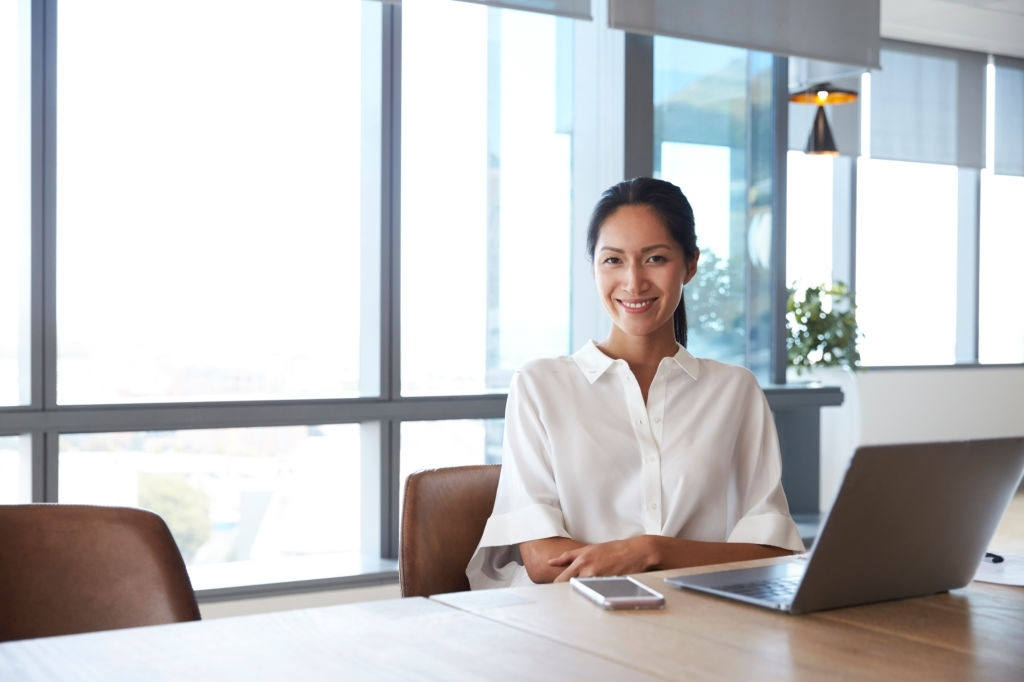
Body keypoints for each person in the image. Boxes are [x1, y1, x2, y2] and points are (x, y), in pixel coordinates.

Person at [466, 176, 805, 589]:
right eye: (613, 260)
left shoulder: (735, 391)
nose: (633, 282)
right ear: (593, 266)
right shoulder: (540, 386)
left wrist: (653, 551)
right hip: (571, 623)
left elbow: (774, 553)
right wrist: (661, 559)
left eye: (655, 258)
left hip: (702, 624)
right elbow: (541, 561)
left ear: (691, 264)